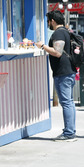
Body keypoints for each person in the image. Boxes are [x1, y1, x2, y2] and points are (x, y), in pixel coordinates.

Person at [35, 10, 77, 142]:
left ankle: (69, 133)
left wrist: (43, 46)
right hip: (68, 70)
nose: (48, 23)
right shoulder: (65, 31)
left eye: (48, 21)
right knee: (69, 103)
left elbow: (57, 52)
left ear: (52, 21)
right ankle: (70, 131)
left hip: (63, 72)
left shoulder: (58, 33)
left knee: (66, 103)